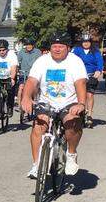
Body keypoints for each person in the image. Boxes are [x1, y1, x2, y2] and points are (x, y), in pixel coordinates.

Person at [20, 32, 88, 178]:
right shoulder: (42, 61)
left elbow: (80, 83)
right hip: (46, 101)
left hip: (69, 102)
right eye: (54, 46)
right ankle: (36, 164)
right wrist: (26, 97)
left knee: (71, 121)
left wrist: (81, 103)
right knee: (39, 124)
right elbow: (32, 81)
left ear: (68, 48)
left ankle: (71, 154)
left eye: (61, 46)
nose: (57, 49)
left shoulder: (75, 61)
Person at [71, 35, 104, 125]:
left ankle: (89, 114)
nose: (86, 43)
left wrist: (98, 70)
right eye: (84, 41)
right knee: (79, 95)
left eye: (88, 41)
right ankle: (79, 111)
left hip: (91, 75)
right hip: (79, 76)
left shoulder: (95, 51)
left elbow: (99, 61)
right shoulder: (76, 50)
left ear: (90, 42)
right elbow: (71, 59)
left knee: (89, 95)